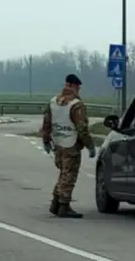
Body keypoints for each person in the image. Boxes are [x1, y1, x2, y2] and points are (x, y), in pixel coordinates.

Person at [41, 74, 96, 218]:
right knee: (69, 175)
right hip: (71, 144)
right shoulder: (76, 105)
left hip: (58, 143)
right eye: (78, 87)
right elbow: (82, 128)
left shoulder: (53, 101)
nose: (79, 90)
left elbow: (46, 123)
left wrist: (46, 141)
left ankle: (56, 202)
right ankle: (64, 205)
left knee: (63, 173)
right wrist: (90, 145)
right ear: (72, 85)